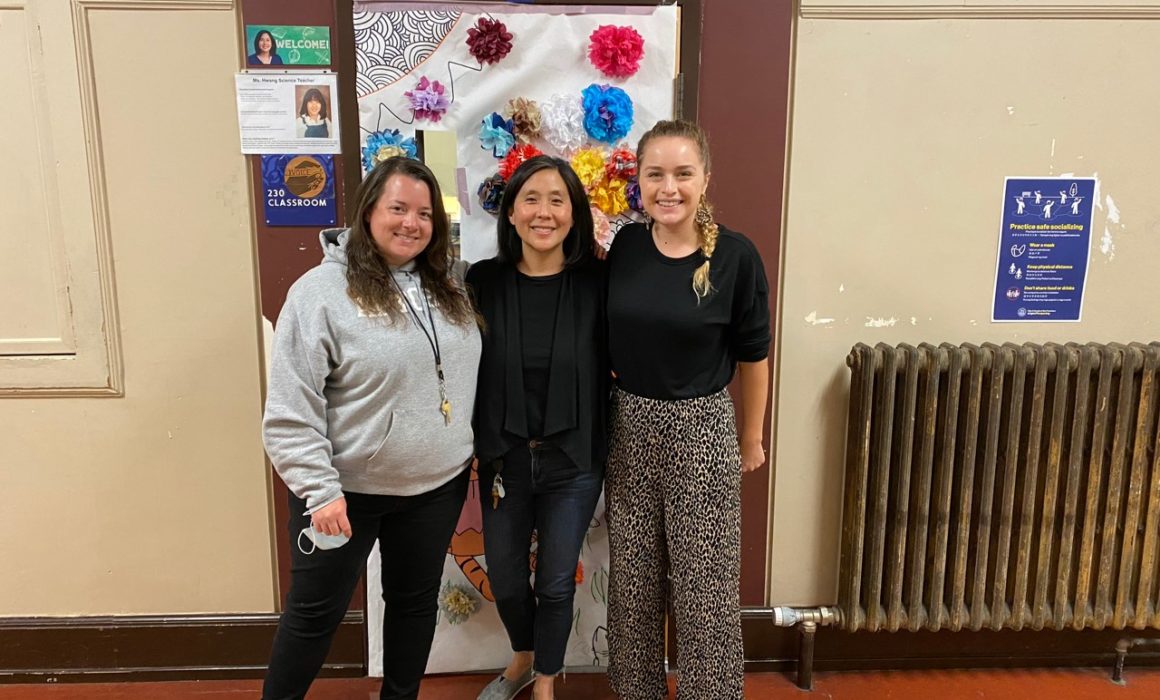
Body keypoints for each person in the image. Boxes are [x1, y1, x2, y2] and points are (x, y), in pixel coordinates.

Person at [262, 156, 481, 700]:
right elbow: (291, 408)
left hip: (435, 487)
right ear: (367, 213)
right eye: (398, 208)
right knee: (315, 615)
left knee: (412, 603)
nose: (411, 223)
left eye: (424, 213)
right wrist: (319, 490)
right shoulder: (318, 294)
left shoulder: (449, 286)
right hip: (345, 495)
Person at [604, 119, 771, 699]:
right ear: (640, 181)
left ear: (705, 179)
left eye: (682, 173)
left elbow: (754, 356)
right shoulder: (623, 247)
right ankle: (637, 692)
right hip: (628, 425)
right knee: (633, 580)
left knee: (705, 584)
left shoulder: (736, 257)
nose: (668, 187)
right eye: (655, 174)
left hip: (701, 428)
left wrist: (751, 438)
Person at [467, 156, 607, 700]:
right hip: (504, 460)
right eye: (531, 199)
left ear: (574, 214)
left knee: (554, 580)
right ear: (511, 212)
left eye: (557, 200)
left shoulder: (599, 281)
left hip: (572, 459)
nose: (543, 212)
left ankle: (544, 681)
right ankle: (522, 657)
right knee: (504, 576)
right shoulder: (484, 281)